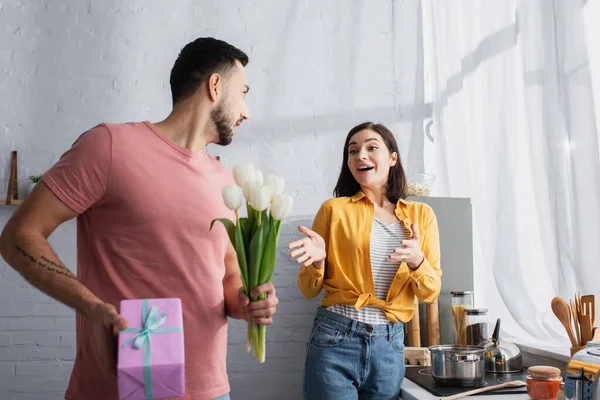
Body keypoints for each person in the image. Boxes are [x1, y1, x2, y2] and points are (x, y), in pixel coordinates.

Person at [0, 37, 278, 400]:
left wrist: (250, 300)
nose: (247, 111)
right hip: (116, 390)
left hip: (210, 392)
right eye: (243, 92)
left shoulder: (226, 182)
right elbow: (19, 236)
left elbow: (227, 280)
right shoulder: (110, 146)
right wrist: (92, 307)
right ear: (215, 86)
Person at [288, 122, 442, 399]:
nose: (360, 155)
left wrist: (418, 261)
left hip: (390, 344)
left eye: (372, 147)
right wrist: (318, 263)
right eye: (353, 150)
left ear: (393, 158)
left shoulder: (422, 215)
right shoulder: (333, 210)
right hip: (335, 337)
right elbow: (308, 289)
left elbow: (430, 291)